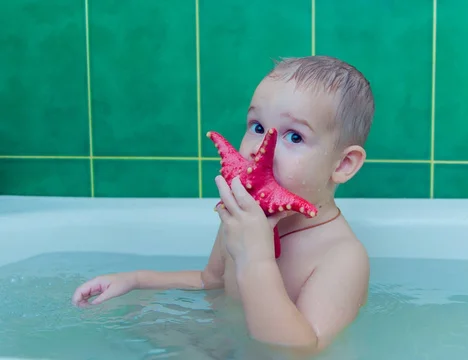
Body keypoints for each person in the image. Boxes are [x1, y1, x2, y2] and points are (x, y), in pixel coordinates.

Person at [72, 55, 375, 354]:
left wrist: (255, 260)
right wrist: (136, 280)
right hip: (226, 345)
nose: (260, 149)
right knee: (132, 332)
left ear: (344, 164)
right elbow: (211, 281)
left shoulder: (341, 257)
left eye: (294, 136)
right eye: (257, 127)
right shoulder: (243, 218)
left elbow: (302, 349)